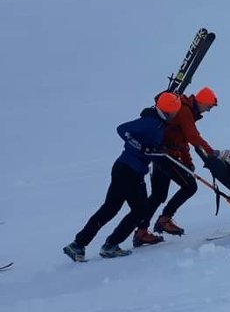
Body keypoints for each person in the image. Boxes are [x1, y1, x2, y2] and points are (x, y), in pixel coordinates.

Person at [62, 93, 182, 262]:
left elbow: (150, 146)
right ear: (167, 112)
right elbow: (122, 129)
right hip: (128, 171)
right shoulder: (150, 123)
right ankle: (108, 245)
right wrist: (141, 147)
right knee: (138, 211)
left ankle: (79, 244)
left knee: (112, 208)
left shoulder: (158, 124)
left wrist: (161, 150)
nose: (175, 115)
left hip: (128, 169)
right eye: (174, 112)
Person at [133, 87, 218, 245]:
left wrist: (188, 162)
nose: (208, 110)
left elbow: (182, 140)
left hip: (161, 155)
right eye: (209, 106)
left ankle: (141, 231)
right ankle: (164, 220)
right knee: (190, 186)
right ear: (202, 101)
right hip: (167, 156)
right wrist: (211, 153)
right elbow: (192, 137)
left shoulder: (186, 110)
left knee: (158, 195)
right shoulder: (185, 111)